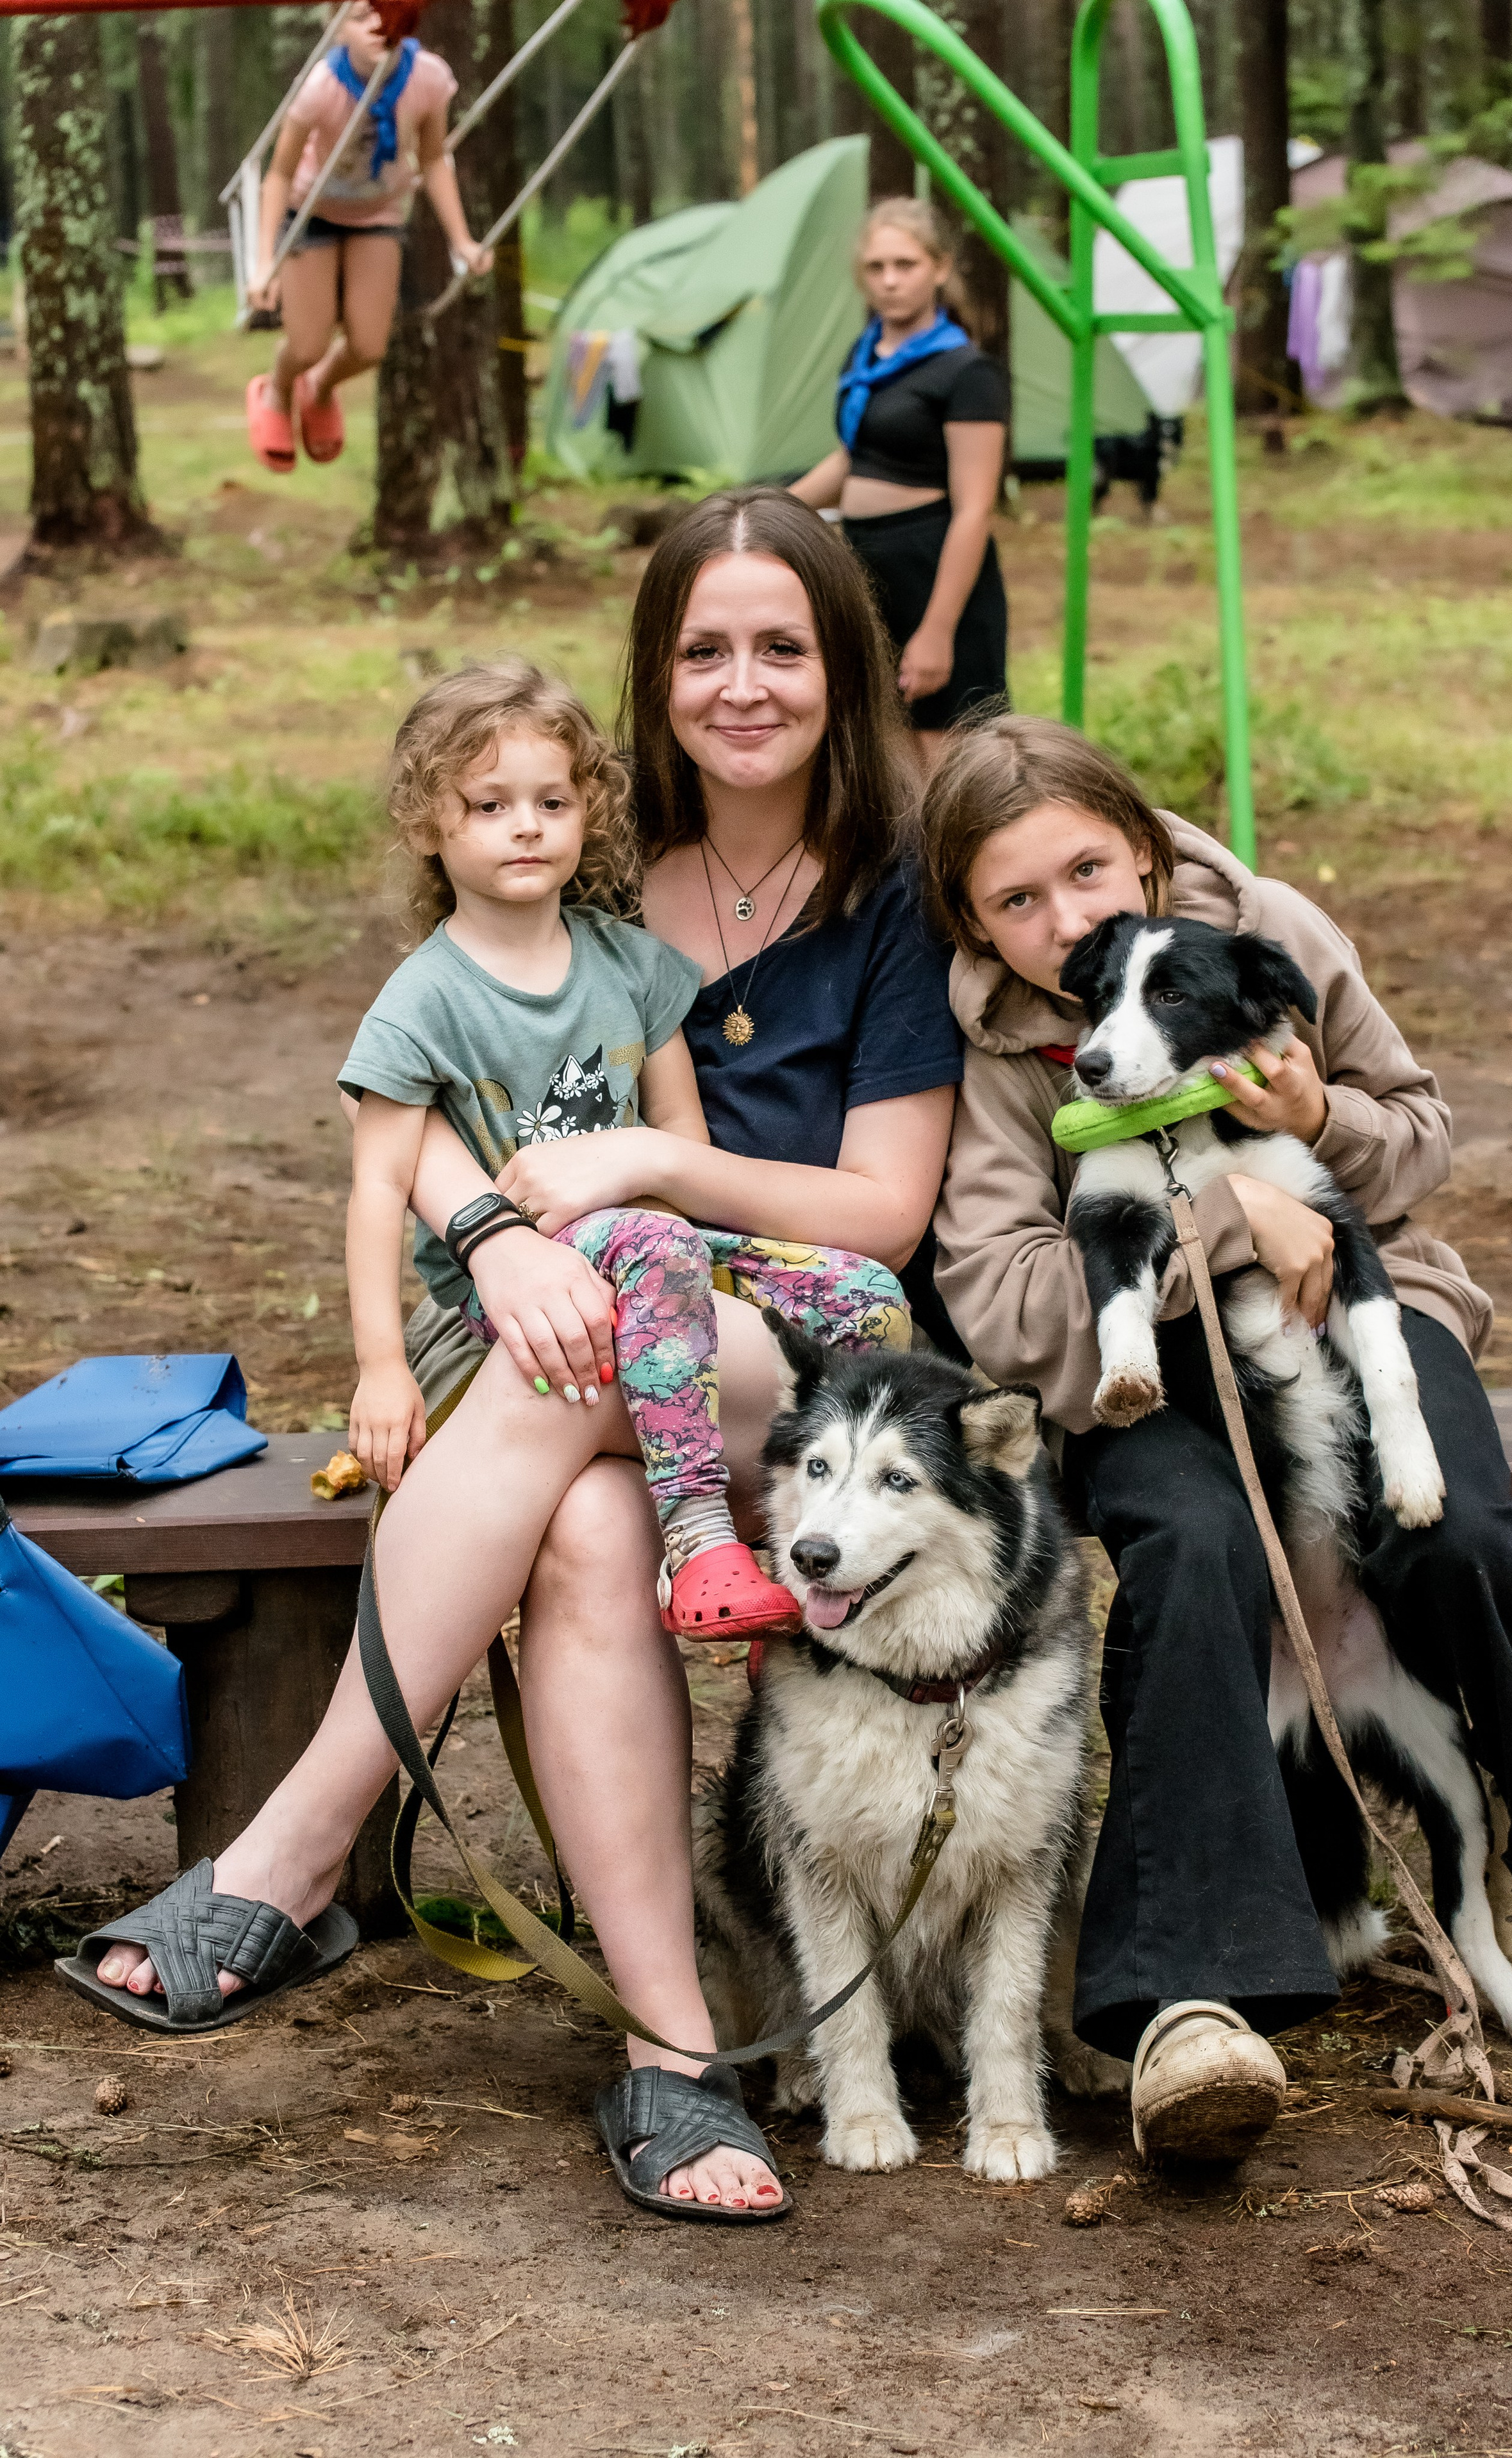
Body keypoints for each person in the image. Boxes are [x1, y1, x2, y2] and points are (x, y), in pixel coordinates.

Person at [74, 489, 964, 2221]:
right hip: (595, 1362)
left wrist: (646, 1166)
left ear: (844, 668)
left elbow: (880, 1208)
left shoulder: (891, 895)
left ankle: (298, 1845)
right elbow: (418, 1108)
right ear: (653, 673)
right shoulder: (581, 848)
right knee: (582, 1522)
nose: (742, 683)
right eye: (703, 649)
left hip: (814, 1377)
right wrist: (489, 1228)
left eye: (782, 647)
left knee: (580, 1370)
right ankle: (672, 2049)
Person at [922, 711, 1512, 2162]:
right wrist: (1228, 1215)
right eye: (1017, 900)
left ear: (1142, 847)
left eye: (1087, 871)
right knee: (1192, 1545)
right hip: (1141, 1370)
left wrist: (1317, 1123)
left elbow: (1418, 1129)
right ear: (972, 922)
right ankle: (1189, 1987)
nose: (1066, 920)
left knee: (1466, 1531)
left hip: (1358, 1296)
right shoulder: (991, 1042)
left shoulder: (1269, 929)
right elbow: (1001, 1293)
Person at [343, 656, 908, 1641]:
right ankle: (697, 1536)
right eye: (489, 805)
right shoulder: (423, 1001)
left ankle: (801, 1548)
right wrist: (381, 1365)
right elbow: (378, 1184)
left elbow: (677, 1140)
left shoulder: (632, 967)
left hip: (654, 1251)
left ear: (588, 812)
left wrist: (679, 1250)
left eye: (552, 801)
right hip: (514, 1293)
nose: (526, 825)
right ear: (429, 824)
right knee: (654, 1243)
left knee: (866, 1295)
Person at [791, 197, 1009, 773]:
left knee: (942, 760)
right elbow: (857, 458)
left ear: (940, 268)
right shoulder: (864, 357)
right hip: (868, 569)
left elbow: (975, 509)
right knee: (883, 753)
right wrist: (772, 509)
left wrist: (937, 630)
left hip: (933, 569)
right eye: (876, 267)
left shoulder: (966, 371)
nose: (890, 281)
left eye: (906, 265)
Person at [244, 0, 492, 473]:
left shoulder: (427, 78)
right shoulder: (321, 88)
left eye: (386, 9)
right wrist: (263, 262)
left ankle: (319, 387)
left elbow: (433, 159)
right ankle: (277, 389)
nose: (377, 24)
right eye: (360, 17)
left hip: (376, 213)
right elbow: (279, 174)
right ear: (337, 30)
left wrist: (461, 239)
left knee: (369, 347)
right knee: (308, 344)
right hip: (311, 211)